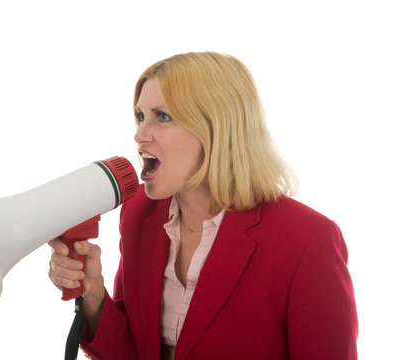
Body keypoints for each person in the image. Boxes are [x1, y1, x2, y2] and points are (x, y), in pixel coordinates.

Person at [48, 52, 358, 359]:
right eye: (141, 116)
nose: (140, 134)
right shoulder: (139, 212)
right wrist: (93, 294)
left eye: (163, 116)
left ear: (215, 128)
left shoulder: (308, 239)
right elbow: (133, 353)